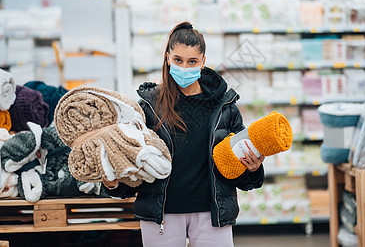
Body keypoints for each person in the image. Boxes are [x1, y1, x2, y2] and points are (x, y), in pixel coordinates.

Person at [103, 21, 265, 247]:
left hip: (212, 215)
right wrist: (112, 183)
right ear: (168, 57)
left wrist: (254, 170)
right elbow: (135, 167)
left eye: (192, 62)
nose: (184, 67)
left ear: (203, 62)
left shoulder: (224, 107)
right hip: (161, 215)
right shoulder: (148, 108)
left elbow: (242, 173)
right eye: (178, 60)